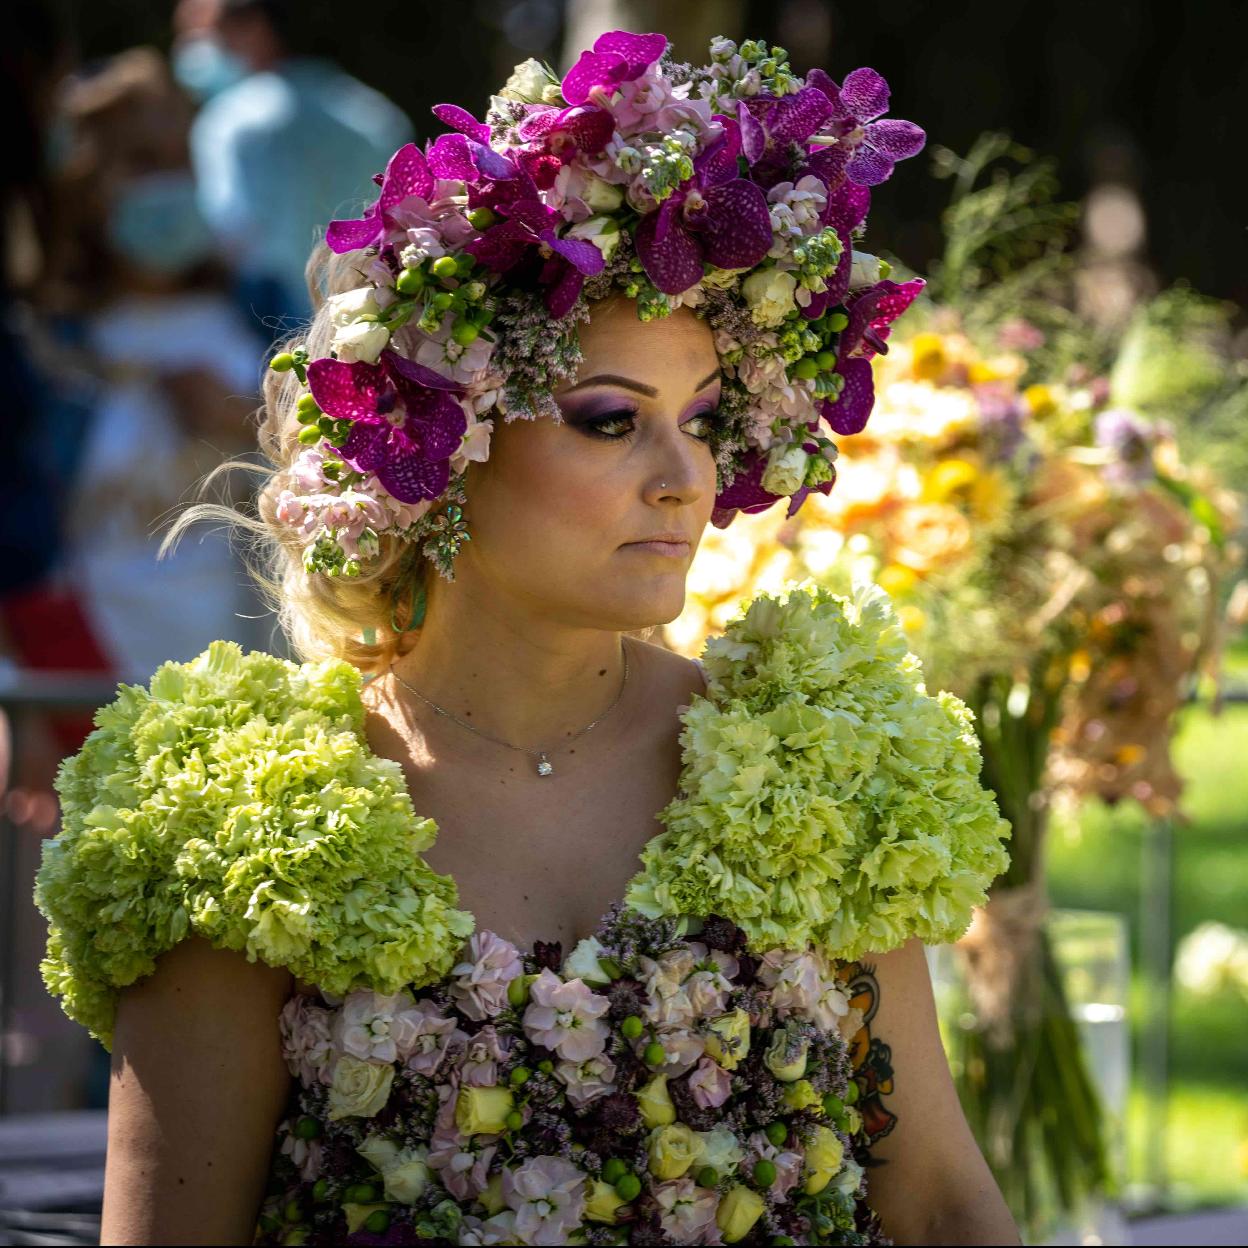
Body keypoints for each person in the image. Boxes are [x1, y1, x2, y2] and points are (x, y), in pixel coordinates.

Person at [34, 32, 1019, 1245]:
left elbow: (943, 1204)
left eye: (706, 419)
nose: (686, 478)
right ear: (443, 441)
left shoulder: (821, 760)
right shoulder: (235, 829)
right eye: (611, 421)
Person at [172, 0, 411, 327]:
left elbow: (228, 231)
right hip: (373, 314)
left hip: (273, 323)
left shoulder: (228, 122)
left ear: (253, 27)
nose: (191, 50)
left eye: (200, 33)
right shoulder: (374, 114)